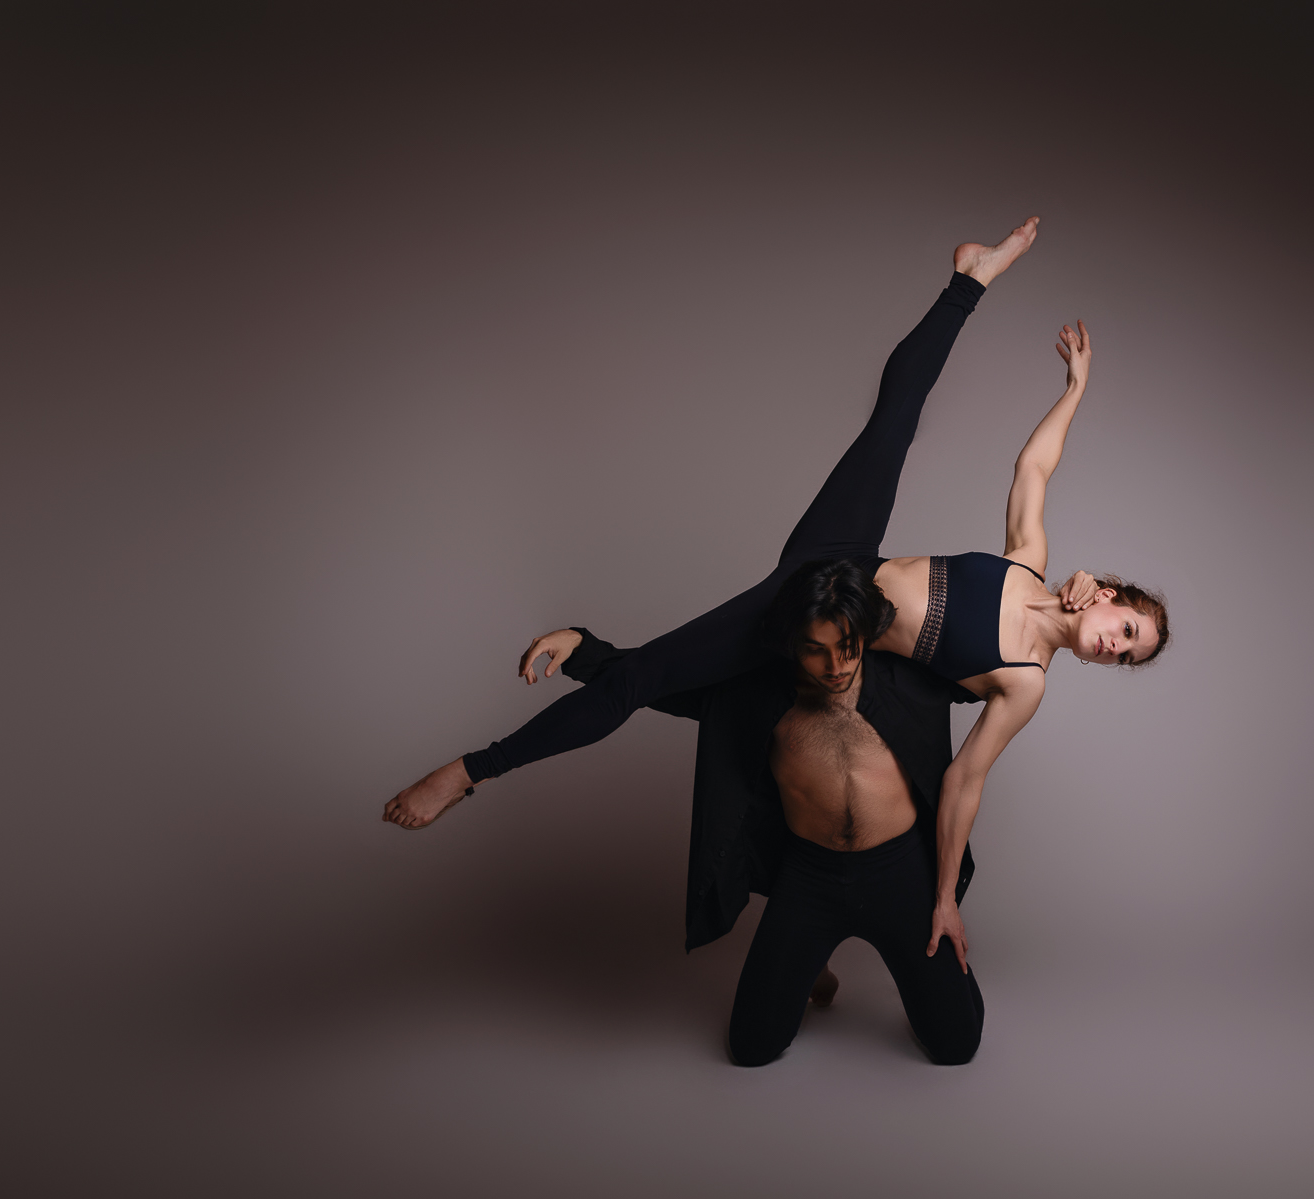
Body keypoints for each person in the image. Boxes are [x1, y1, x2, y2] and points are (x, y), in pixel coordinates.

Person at [383, 216, 1170, 968]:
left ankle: (475, 767)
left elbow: (964, 785)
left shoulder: (1026, 685)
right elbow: (1034, 468)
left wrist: (944, 899)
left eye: (1126, 655)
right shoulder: (1029, 562)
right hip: (837, 556)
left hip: (822, 627)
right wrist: (1075, 388)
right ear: (1104, 594)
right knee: (893, 423)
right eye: (1128, 628)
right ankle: (970, 278)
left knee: (669, 688)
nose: (1115, 646)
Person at [560, 560, 983, 1063]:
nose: (837, 665)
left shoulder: (913, 677)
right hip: (810, 877)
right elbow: (657, 682)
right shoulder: (755, 692)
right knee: (752, 1048)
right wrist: (582, 650)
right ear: (792, 644)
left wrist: (1076, 610)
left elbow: (1007, 655)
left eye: (848, 645)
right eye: (817, 650)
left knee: (957, 1046)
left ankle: (829, 959)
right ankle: (813, 958)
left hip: (902, 873)